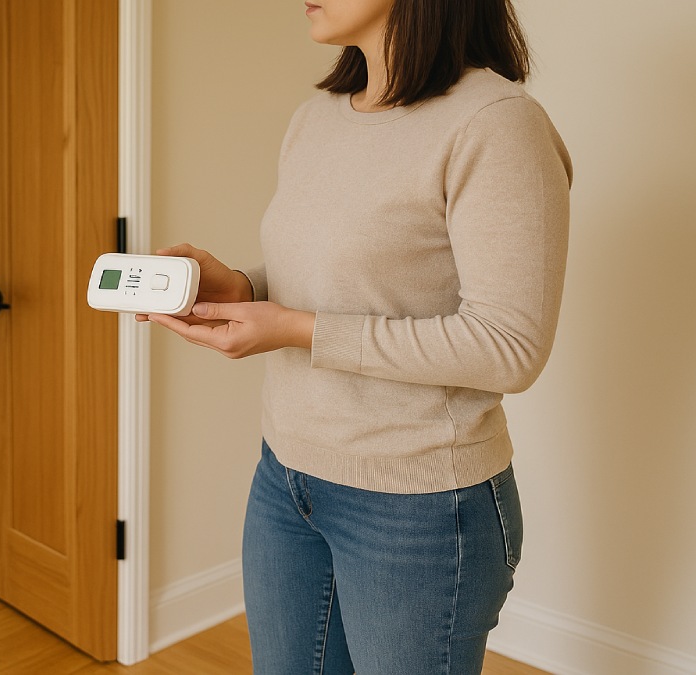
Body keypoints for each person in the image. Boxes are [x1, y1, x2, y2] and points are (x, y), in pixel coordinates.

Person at [142, 0, 572, 672]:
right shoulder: (314, 119)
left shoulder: (495, 123)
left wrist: (295, 330)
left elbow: (508, 346)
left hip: (420, 505)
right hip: (285, 478)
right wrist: (242, 287)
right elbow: (333, 282)